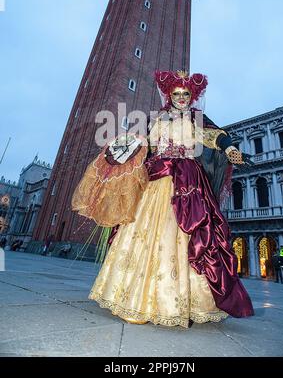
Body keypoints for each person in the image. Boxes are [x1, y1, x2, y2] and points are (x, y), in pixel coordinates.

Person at [72, 70, 254, 328]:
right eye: (176, 93)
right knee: (140, 228)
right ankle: (135, 298)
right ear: (169, 94)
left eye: (186, 94)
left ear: (192, 96)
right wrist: (125, 148)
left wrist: (231, 148)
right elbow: (144, 144)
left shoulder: (196, 119)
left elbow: (216, 136)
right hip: (156, 176)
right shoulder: (155, 118)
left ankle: (181, 301)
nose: (181, 98)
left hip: (188, 179)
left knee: (187, 231)